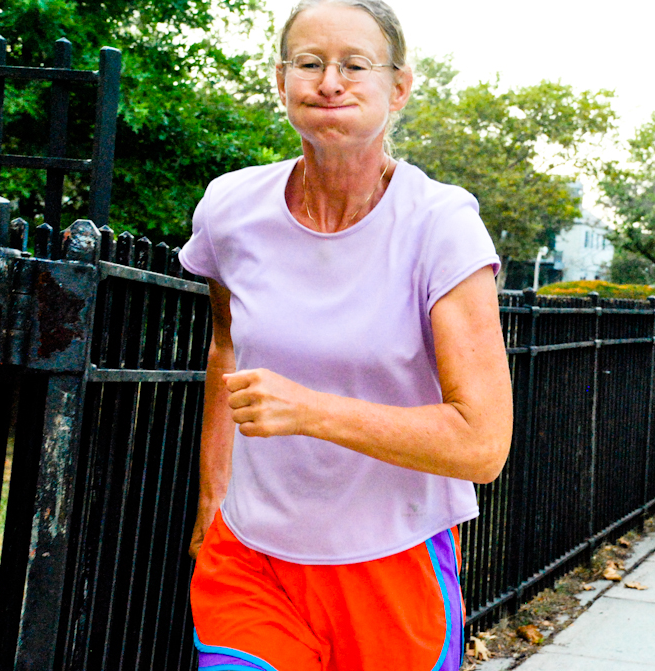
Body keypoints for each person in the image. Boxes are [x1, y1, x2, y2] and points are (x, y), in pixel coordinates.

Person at [177, 1, 513, 669]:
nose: (330, 82)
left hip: (392, 564)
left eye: (355, 65)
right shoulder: (229, 209)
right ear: (282, 82)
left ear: (399, 87)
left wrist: (312, 411)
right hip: (250, 561)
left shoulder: (440, 226)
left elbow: (482, 444)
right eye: (309, 63)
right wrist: (214, 492)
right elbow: (226, 344)